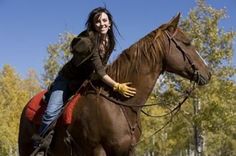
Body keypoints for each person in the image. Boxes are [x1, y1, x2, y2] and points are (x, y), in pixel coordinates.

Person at [32, 7, 136, 149]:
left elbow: (102, 67)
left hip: (86, 80)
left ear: (110, 22)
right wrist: (117, 85)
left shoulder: (110, 42)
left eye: (104, 20)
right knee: (51, 113)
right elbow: (100, 71)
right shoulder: (90, 41)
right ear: (93, 24)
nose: (102, 24)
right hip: (66, 79)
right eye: (97, 21)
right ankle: (40, 145)